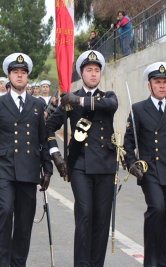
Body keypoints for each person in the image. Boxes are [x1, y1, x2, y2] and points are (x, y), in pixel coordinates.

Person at [0, 53, 53, 267]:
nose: (19, 76)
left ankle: (17, 263)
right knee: (5, 210)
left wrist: (47, 169)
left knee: (24, 221)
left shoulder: (38, 104)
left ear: (27, 77)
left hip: (29, 170)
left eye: (23, 73)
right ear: (9, 77)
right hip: (5, 168)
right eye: (15, 73)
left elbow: (43, 138)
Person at [46, 50, 118, 267]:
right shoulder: (68, 99)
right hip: (80, 167)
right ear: (81, 72)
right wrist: (55, 154)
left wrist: (80, 101)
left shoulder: (107, 97)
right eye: (89, 70)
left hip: (105, 167)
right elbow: (49, 126)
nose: (93, 74)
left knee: (101, 220)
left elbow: (111, 106)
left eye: (97, 70)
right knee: (84, 214)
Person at [123, 62, 166, 267]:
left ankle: (164, 261)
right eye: (157, 82)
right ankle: (151, 261)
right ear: (150, 85)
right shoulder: (138, 109)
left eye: (164, 82)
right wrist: (131, 163)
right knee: (157, 208)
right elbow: (128, 142)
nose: (162, 86)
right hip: (150, 172)